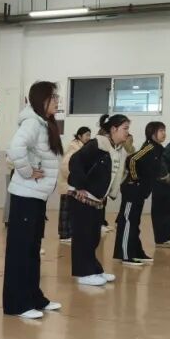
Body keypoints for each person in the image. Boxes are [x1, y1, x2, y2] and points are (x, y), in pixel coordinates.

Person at [3, 82, 63, 319]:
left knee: (32, 249)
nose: (57, 101)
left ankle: (34, 297)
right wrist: (27, 172)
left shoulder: (44, 123)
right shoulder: (31, 122)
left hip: (36, 196)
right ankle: (17, 304)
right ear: (41, 99)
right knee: (21, 251)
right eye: (53, 97)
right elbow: (15, 147)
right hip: (25, 196)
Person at [68, 114, 130, 287]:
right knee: (83, 237)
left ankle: (94, 269)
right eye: (125, 128)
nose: (127, 132)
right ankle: (83, 273)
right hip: (82, 197)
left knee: (94, 237)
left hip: (98, 199)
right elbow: (75, 161)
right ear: (113, 129)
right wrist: (80, 186)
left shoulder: (118, 149)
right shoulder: (97, 144)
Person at [116, 122, 169, 267]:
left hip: (141, 191)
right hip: (132, 190)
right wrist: (135, 179)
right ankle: (126, 255)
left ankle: (136, 251)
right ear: (152, 133)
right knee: (128, 221)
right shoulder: (149, 147)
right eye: (161, 131)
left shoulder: (158, 149)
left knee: (135, 222)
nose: (164, 133)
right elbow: (132, 160)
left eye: (164, 130)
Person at [56, 126, 91, 245]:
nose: (88, 137)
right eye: (86, 135)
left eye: (89, 135)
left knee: (70, 211)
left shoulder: (81, 148)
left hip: (72, 185)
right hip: (68, 185)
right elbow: (65, 167)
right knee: (66, 211)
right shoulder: (74, 148)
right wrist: (74, 179)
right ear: (79, 136)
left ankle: (68, 234)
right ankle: (64, 235)